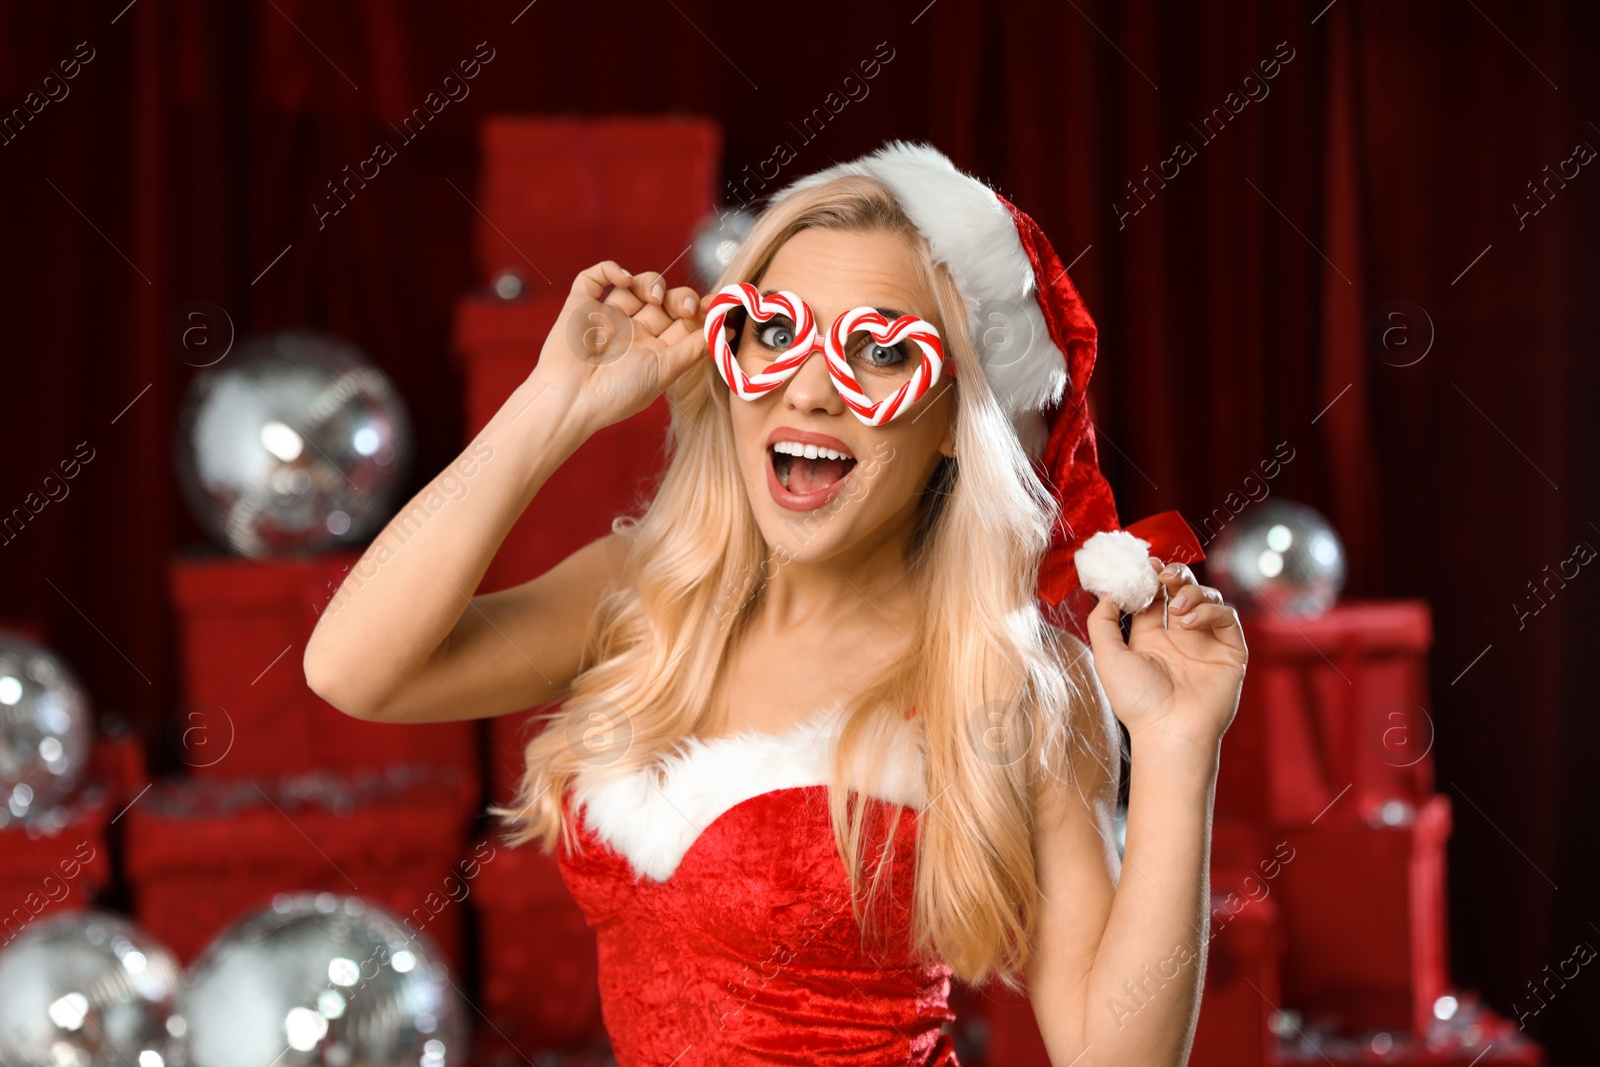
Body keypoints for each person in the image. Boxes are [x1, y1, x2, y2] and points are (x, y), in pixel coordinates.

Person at [304, 140, 1247, 1067]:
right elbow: (352, 669)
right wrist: (555, 403)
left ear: (958, 423)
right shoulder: (644, 593)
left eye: (879, 352)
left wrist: (1174, 750)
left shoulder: (1013, 677)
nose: (808, 388)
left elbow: (1114, 1051)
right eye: (775, 330)